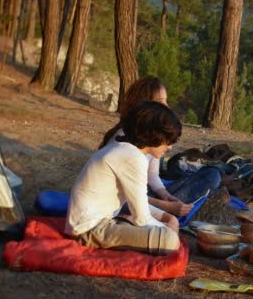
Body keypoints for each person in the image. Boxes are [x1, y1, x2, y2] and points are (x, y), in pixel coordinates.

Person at [65, 101, 182, 255]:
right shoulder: (133, 157)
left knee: (163, 231)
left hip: (95, 224)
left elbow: (131, 202)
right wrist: (169, 230)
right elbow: (142, 219)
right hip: (89, 230)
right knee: (170, 241)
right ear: (155, 135)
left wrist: (166, 217)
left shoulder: (126, 149)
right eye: (169, 140)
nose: (170, 147)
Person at [100, 76, 221, 217]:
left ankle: (167, 208)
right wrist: (165, 206)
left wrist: (165, 195)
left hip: (144, 192)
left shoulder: (151, 135)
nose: (167, 107)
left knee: (212, 173)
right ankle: (164, 210)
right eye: (162, 102)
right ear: (147, 105)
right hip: (125, 198)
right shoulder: (125, 140)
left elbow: (152, 175)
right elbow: (122, 193)